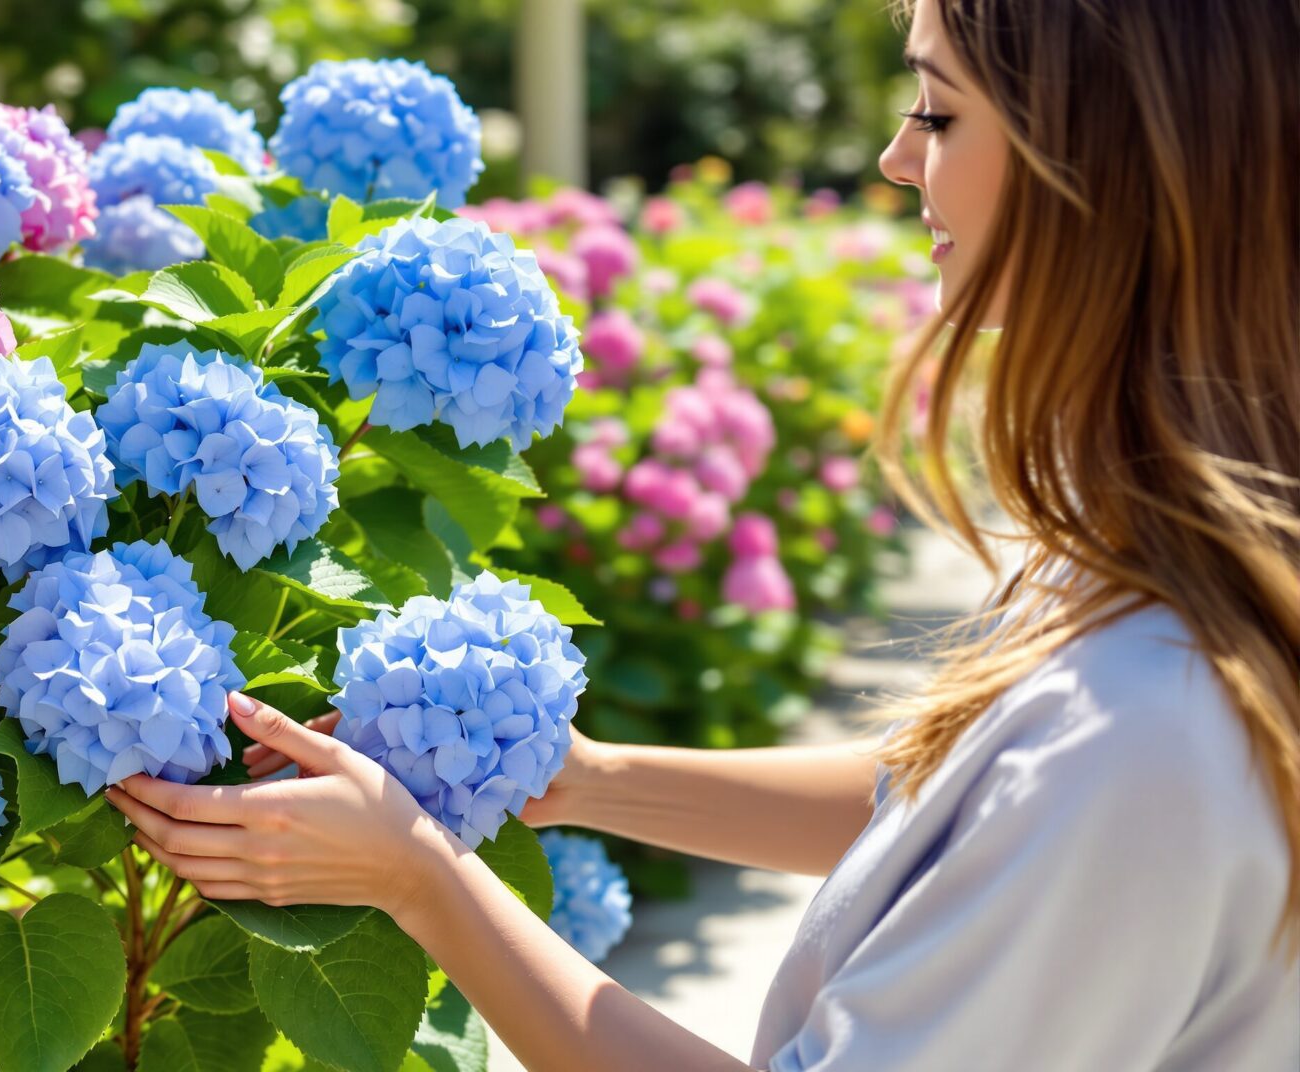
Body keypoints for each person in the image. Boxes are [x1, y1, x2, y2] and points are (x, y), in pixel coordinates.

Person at [109, 0, 1300, 1065]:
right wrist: (572, 780)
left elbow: (1060, 791)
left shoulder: (1149, 727)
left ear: (1099, 168)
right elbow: (948, 801)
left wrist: (423, 879)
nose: (895, 158)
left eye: (938, 115)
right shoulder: (1169, 552)